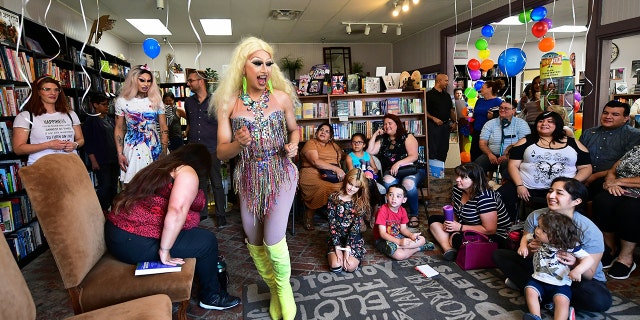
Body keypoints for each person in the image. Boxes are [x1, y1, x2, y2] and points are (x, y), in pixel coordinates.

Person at [212, 37, 300, 320]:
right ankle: (274, 288)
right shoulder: (229, 103)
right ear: (243, 67)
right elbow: (222, 152)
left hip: (280, 171)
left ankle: (284, 292)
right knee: (255, 240)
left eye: (268, 63)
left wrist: (294, 144)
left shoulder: (282, 98)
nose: (265, 69)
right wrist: (238, 143)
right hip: (248, 176)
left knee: (274, 238)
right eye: (257, 62)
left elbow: (294, 130)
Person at [104, 143, 241, 310]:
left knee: (196, 236)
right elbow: (177, 210)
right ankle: (211, 296)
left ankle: (201, 283)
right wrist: (165, 250)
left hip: (116, 235)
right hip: (134, 242)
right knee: (207, 241)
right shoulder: (187, 172)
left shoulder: (161, 166)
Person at [493, 177, 612, 313]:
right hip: (544, 270)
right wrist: (530, 249)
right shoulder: (536, 216)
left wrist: (574, 262)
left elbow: (589, 274)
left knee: (599, 300)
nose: (551, 196)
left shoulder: (589, 230)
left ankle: (541, 295)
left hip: (574, 278)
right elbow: (528, 248)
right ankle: (548, 297)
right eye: (550, 191)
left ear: (576, 201)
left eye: (559, 193)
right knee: (500, 255)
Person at [497, 111, 592, 220]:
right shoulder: (526, 141)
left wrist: (571, 184)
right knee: (502, 195)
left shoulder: (573, 143)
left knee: (580, 199)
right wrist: (519, 185)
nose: (544, 124)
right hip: (526, 186)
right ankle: (508, 227)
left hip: (565, 189)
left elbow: (586, 167)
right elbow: (513, 165)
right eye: (541, 121)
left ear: (558, 124)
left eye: (550, 122)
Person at [428, 163, 510, 261]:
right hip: (467, 224)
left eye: (463, 177)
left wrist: (459, 228)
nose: (458, 179)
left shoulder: (485, 197)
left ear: (474, 180)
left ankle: (453, 243)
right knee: (433, 219)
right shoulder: (457, 190)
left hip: (493, 235)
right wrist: (450, 223)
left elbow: (490, 229)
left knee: (457, 239)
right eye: (458, 175)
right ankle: (448, 249)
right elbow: (455, 211)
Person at [521, 212, 594, 320]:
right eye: (538, 226)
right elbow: (525, 236)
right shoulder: (537, 239)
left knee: (562, 301)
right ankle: (535, 317)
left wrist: (578, 270)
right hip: (538, 279)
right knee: (530, 291)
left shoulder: (569, 246)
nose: (537, 230)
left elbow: (589, 259)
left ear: (557, 235)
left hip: (560, 284)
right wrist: (523, 247)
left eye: (543, 230)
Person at [367, 114, 426, 228]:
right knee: (388, 181)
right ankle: (396, 212)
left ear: (397, 124)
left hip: (411, 170)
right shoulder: (383, 140)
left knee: (408, 184)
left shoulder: (407, 137)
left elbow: (414, 156)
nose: (387, 126)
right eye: (385, 124)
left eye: (390, 123)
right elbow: (369, 152)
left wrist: (398, 163)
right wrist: (375, 134)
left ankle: (414, 214)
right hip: (393, 172)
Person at [185, 69, 227, 225]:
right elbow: (190, 123)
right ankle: (202, 215)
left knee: (216, 182)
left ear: (200, 81)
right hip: (195, 150)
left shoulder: (217, 102)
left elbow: (224, 125)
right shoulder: (188, 102)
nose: (188, 83)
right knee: (200, 183)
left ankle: (221, 216)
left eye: (191, 80)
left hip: (213, 149)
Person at [114, 64, 168, 184]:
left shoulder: (156, 100)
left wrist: (163, 151)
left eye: (149, 81)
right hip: (133, 147)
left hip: (154, 146)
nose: (146, 84)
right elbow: (119, 128)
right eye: (142, 80)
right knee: (133, 186)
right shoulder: (122, 101)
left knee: (156, 185)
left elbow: (164, 127)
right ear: (134, 80)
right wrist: (119, 153)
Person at [592, 144, 640, 279]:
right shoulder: (636, 149)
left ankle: (626, 258)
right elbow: (614, 169)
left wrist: (619, 182)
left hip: (635, 193)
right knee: (602, 201)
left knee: (630, 209)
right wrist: (610, 181)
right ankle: (610, 249)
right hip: (620, 188)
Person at [13, 75, 84, 165]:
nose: (53, 93)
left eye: (56, 90)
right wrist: (48, 145)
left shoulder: (70, 114)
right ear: (38, 92)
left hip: (71, 165)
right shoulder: (25, 117)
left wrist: (75, 145)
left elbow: (80, 139)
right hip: (43, 168)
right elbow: (18, 149)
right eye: (47, 89)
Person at [580, 100, 640, 199]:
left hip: (614, 177)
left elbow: (626, 164)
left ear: (626, 118)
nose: (608, 117)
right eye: (605, 113)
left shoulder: (634, 135)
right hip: (584, 173)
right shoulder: (589, 133)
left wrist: (594, 176)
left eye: (615, 114)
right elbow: (579, 157)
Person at [299, 123, 344, 231]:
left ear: (330, 136)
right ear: (316, 132)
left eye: (327, 131)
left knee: (345, 187)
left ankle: (342, 217)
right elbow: (315, 162)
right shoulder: (311, 143)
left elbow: (343, 155)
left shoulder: (333, 145)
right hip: (312, 173)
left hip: (331, 174)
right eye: (321, 130)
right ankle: (309, 214)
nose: (323, 132)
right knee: (324, 187)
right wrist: (337, 169)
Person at [374, 184, 434, 260]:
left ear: (404, 200)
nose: (394, 198)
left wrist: (411, 235)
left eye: (398, 196)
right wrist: (399, 241)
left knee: (422, 239)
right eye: (391, 195)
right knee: (399, 256)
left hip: (398, 236)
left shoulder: (402, 210)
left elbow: (403, 229)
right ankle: (418, 248)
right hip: (382, 240)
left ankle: (403, 247)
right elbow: (382, 234)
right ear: (386, 196)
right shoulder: (382, 211)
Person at [327, 168, 370, 273]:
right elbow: (332, 224)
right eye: (350, 184)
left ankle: (357, 255)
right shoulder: (334, 198)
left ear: (360, 188)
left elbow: (355, 228)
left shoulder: (360, 202)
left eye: (356, 186)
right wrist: (337, 248)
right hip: (336, 238)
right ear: (346, 181)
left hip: (353, 240)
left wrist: (347, 249)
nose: (352, 188)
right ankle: (332, 253)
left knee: (349, 266)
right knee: (336, 266)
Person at [475, 100, 530, 179]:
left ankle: (503, 188)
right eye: (500, 108)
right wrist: (489, 154)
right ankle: (483, 187)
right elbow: (482, 143)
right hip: (491, 155)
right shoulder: (490, 123)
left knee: (507, 168)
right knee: (477, 165)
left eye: (506, 108)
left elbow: (525, 143)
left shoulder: (521, 124)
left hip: (511, 156)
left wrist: (507, 155)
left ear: (513, 111)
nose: (502, 110)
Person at [82, 93, 118, 211]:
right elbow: (89, 142)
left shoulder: (111, 120)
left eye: (107, 104)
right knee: (105, 186)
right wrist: (93, 160)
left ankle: (112, 211)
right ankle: (101, 211)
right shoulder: (90, 121)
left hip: (114, 158)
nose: (106, 107)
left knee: (113, 187)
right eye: (103, 104)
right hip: (101, 159)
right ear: (95, 105)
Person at [345, 133, 383, 227]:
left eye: (359, 142)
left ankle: (373, 215)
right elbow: (351, 172)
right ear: (351, 144)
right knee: (366, 187)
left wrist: (372, 169)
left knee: (372, 186)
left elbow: (376, 170)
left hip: (370, 180)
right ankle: (361, 217)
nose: (356, 144)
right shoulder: (349, 157)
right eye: (354, 142)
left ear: (364, 144)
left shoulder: (368, 155)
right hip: (357, 181)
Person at [470, 79, 505, 161]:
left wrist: (494, 116)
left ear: (490, 88)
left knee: (485, 157)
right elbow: (475, 114)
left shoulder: (498, 102)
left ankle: (487, 173)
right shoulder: (479, 100)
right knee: (474, 153)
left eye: (483, 87)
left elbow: (504, 117)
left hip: (489, 133)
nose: (480, 89)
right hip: (476, 131)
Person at [425, 73, 456, 162]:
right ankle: (432, 172)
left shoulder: (447, 95)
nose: (448, 83)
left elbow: (451, 110)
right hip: (433, 126)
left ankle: (440, 171)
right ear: (439, 81)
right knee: (433, 149)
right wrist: (433, 118)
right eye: (446, 80)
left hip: (446, 126)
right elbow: (424, 111)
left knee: (444, 149)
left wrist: (455, 122)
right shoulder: (428, 95)